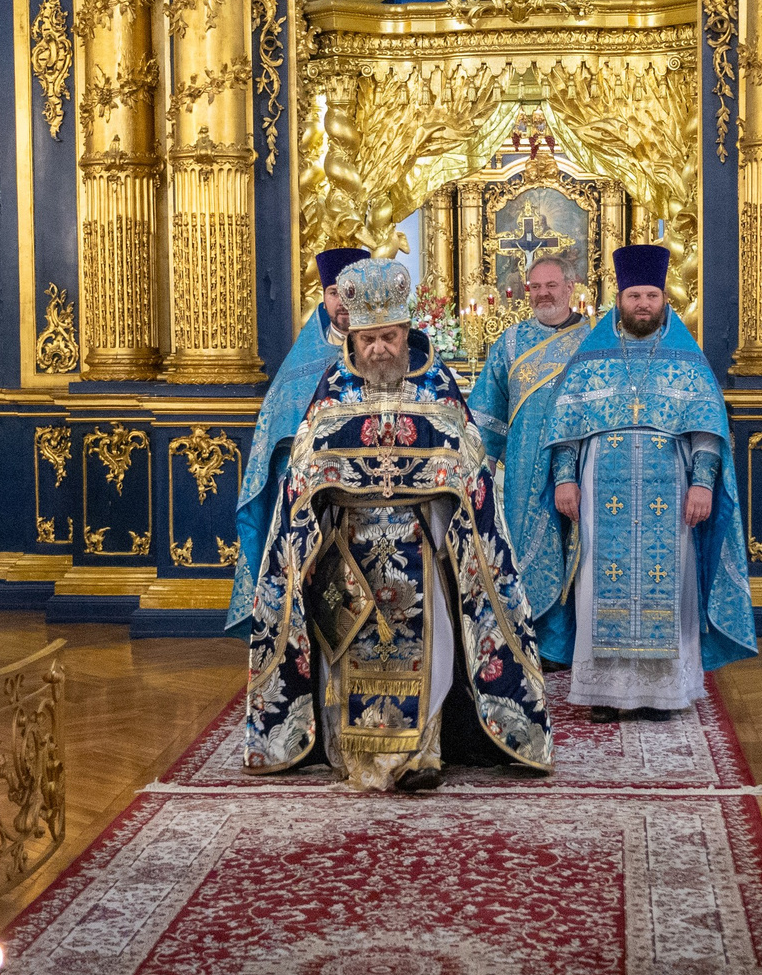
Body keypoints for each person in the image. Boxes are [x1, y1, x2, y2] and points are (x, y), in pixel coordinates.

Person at [241, 258, 553, 791]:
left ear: (406, 333)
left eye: (389, 337)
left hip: (421, 540)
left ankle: (423, 754)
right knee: (346, 654)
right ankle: (355, 756)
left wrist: (439, 491)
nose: (380, 350)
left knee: (430, 650)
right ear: (352, 341)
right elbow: (304, 474)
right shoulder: (333, 391)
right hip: (348, 550)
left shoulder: (437, 385)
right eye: (369, 340)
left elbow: (468, 460)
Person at [543, 244, 756, 722]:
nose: (643, 304)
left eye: (652, 295)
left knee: (670, 582)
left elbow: (707, 428)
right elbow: (565, 424)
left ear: (664, 300)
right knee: (598, 581)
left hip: (670, 488)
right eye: (635, 295)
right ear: (620, 298)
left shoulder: (685, 355)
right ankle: (604, 692)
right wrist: (564, 480)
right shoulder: (593, 353)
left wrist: (702, 485)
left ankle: (663, 693)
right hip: (600, 485)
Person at [228, 246, 368, 633]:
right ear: (324, 297)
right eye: (335, 292)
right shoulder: (304, 360)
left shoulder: (384, 349)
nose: (343, 301)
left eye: (351, 291)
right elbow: (278, 426)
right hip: (314, 495)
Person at [468, 255, 594, 663]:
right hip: (524, 467)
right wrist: (480, 469)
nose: (543, 294)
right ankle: (534, 640)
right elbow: (488, 408)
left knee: (578, 550)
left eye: (551, 285)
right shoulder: (510, 342)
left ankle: (570, 644)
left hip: (583, 462)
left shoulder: (593, 341)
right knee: (529, 548)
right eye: (535, 286)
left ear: (570, 287)